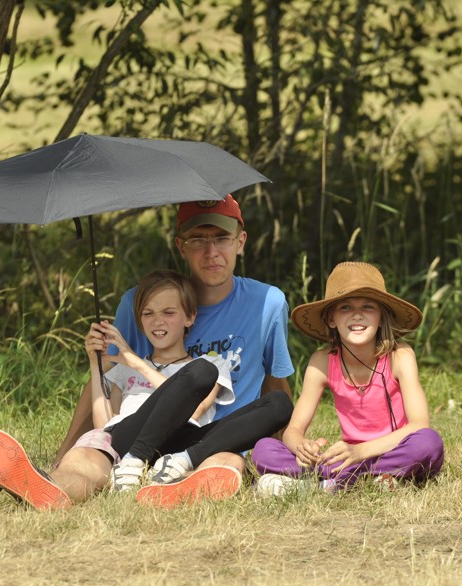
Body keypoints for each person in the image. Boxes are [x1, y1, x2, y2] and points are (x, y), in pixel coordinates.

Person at [0, 270, 293, 509]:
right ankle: (46, 487)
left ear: (189, 317)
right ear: (139, 320)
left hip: (179, 446)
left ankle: (167, 484)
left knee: (275, 406)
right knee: (84, 461)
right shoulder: (124, 368)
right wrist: (96, 364)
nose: (158, 321)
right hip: (126, 440)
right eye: (148, 314)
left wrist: (136, 362)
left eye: (168, 312)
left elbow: (193, 408)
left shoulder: (207, 366)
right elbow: (105, 423)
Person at [54, 194, 296, 500]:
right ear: (181, 246)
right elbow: (106, 375)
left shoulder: (267, 303)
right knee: (84, 460)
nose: (211, 252)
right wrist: (64, 451)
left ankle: (168, 488)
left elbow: (275, 383)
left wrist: (291, 450)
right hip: (138, 431)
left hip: (209, 441)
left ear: (241, 241)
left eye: (222, 238)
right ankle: (54, 486)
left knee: (228, 461)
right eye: (198, 240)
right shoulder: (143, 302)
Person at [251, 262, 444, 495]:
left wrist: (360, 452)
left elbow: (419, 424)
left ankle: (325, 485)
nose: (357, 314)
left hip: (392, 451)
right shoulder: (322, 362)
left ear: (381, 317)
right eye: (345, 307)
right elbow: (293, 430)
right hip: (348, 460)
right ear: (331, 319)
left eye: (368, 306)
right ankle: (366, 481)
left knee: (428, 443)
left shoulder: (400, 356)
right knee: (263, 449)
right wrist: (302, 447)